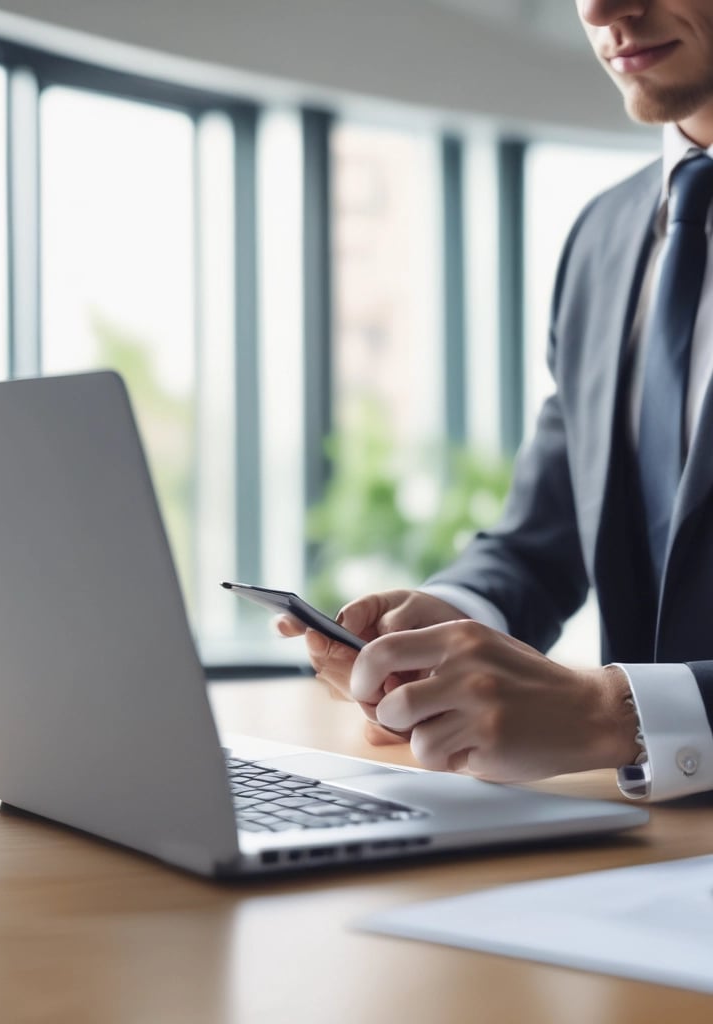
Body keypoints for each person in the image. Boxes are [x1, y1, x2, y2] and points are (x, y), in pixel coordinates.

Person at [279, 0, 713, 803]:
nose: (598, 8)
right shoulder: (604, 236)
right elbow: (540, 541)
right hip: (648, 846)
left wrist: (615, 712)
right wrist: (440, 616)